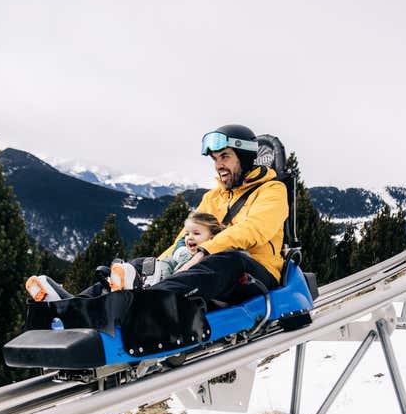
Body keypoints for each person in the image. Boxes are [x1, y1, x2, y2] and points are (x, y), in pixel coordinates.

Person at [27, 123, 288, 304]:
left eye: (225, 157)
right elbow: (183, 238)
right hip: (209, 265)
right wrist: (160, 265)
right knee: (143, 264)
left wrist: (205, 251)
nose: (219, 165)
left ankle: (145, 303)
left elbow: (254, 230)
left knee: (228, 259)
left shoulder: (272, 191)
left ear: (245, 157)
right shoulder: (213, 197)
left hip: (253, 272)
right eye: (215, 159)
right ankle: (78, 305)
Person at [109, 211, 225, 290]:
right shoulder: (185, 253)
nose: (189, 237)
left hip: (172, 285)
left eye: (196, 233)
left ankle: (133, 281)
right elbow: (170, 261)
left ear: (212, 237)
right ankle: (123, 275)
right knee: (145, 262)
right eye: (187, 234)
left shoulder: (210, 257)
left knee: (158, 266)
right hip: (164, 277)